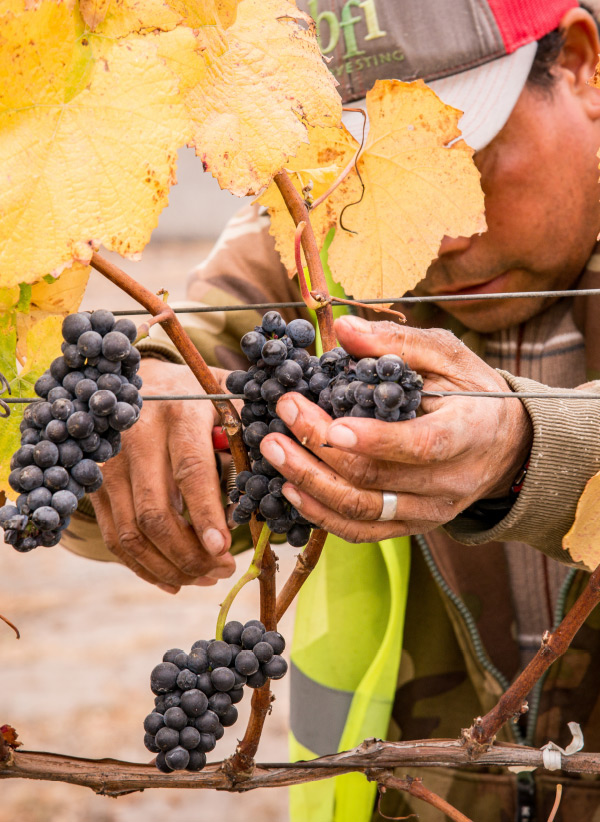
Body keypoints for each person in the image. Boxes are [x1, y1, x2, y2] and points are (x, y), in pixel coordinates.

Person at [62, 0, 600, 818]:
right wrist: (139, 394)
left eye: (462, 155)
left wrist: (531, 449)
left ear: (580, 65)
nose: (442, 236)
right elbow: (187, 358)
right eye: (363, 172)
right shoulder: (314, 237)